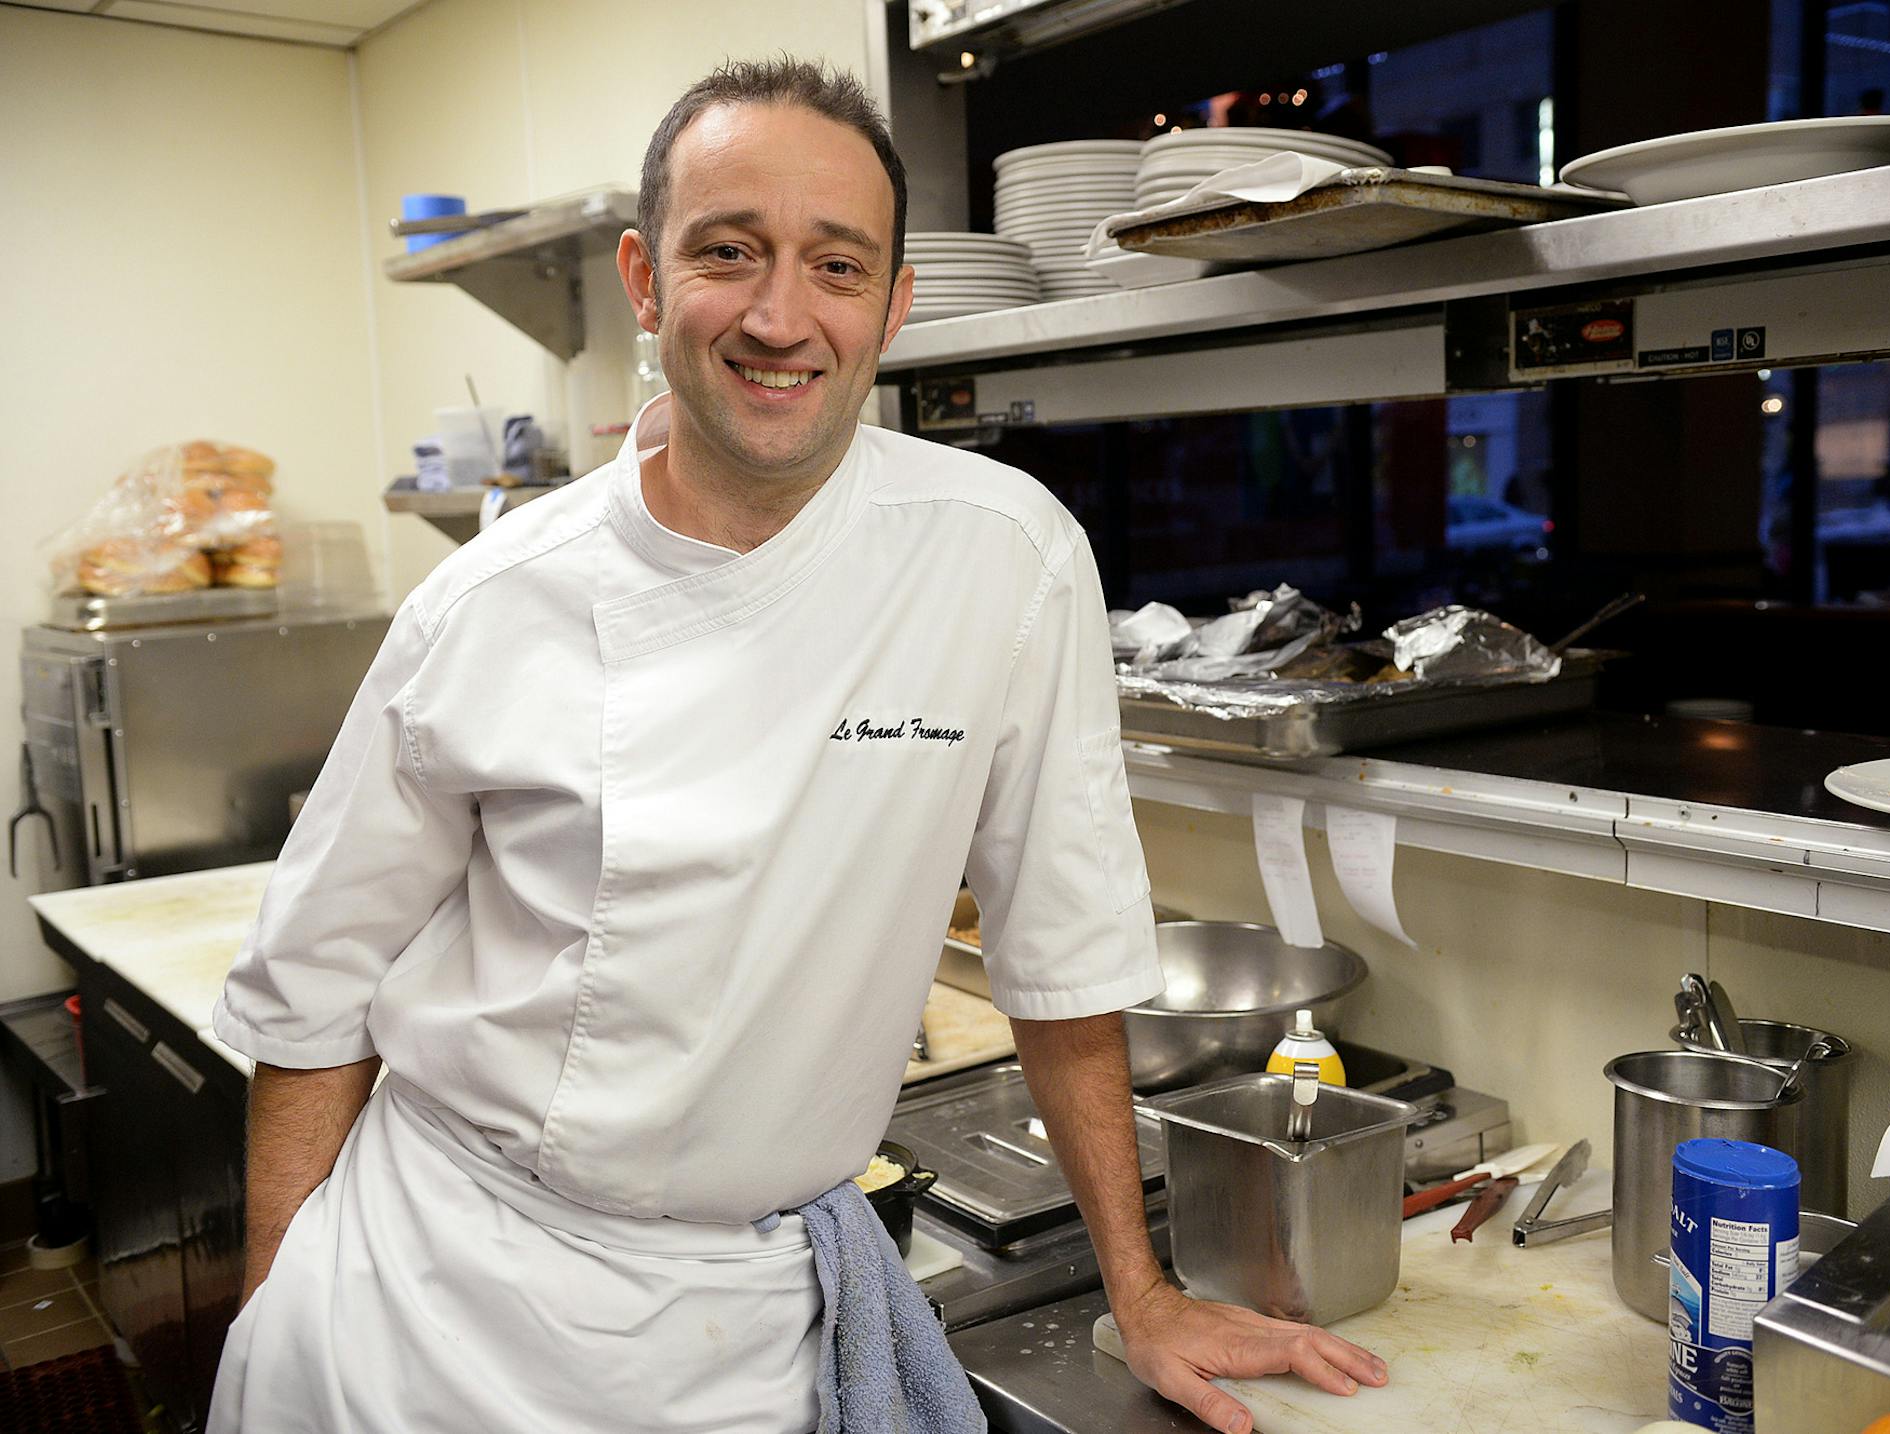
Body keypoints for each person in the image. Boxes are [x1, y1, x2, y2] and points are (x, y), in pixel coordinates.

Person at [204, 60, 1386, 1434]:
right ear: (646, 282)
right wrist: (278, 1313)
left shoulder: (1005, 558)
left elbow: (1060, 958)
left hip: (743, 1325)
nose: (780, 317)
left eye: (837, 266)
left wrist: (1144, 1288)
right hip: (429, 1297)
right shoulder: (489, 602)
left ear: (894, 303)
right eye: (729, 253)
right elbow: (314, 991)